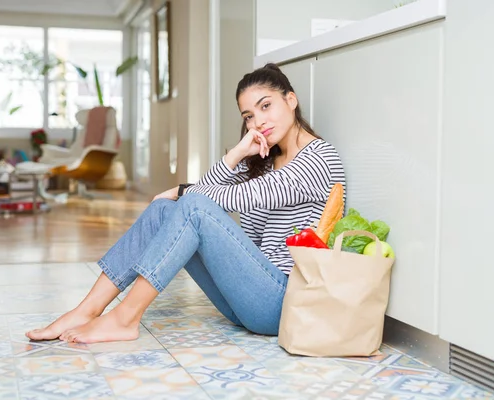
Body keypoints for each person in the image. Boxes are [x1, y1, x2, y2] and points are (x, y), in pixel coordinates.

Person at [26, 63, 345, 344]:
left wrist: (181, 190)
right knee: (167, 210)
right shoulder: (262, 159)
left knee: (189, 205)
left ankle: (125, 318)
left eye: (266, 106)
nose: (258, 122)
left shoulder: (318, 160)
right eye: (249, 116)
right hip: (245, 301)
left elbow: (229, 198)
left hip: (282, 301)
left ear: (291, 99)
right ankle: (86, 310)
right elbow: (206, 191)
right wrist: (235, 155)